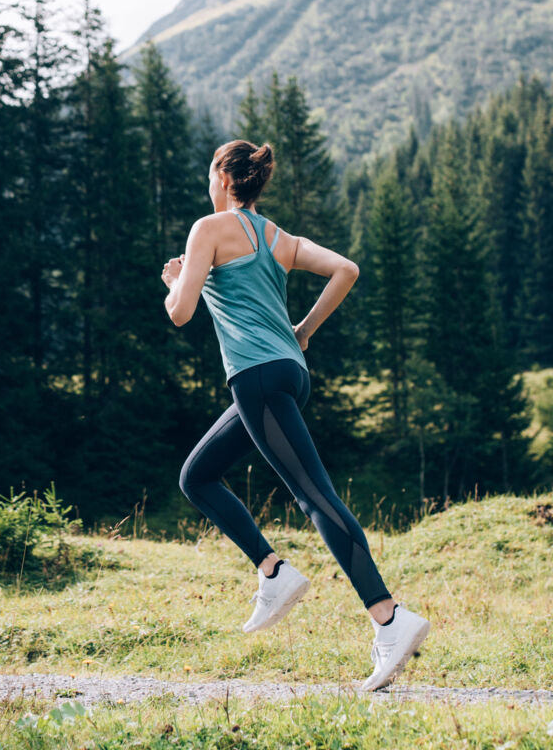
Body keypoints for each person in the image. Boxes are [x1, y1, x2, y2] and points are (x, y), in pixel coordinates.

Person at [161, 139, 428, 692]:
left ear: (224, 178)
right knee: (197, 476)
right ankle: (273, 572)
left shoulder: (208, 229)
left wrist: (174, 284)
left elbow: (181, 313)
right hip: (287, 374)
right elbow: (346, 269)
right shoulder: (278, 237)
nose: (208, 184)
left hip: (255, 377)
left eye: (210, 173)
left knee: (315, 497)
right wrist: (303, 331)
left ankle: (389, 617)